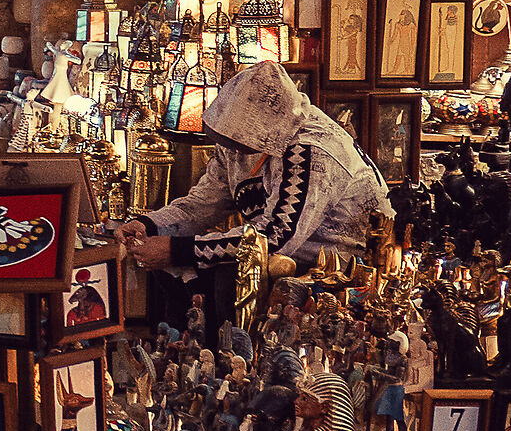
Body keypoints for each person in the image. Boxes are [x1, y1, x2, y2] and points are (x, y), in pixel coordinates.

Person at [118, 60, 394, 272]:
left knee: (215, 280)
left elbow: (275, 237)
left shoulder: (311, 152)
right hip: (277, 260)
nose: (232, 149)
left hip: (336, 271)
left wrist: (176, 251)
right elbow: (202, 204)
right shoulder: (236, 141)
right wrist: (149, 226)